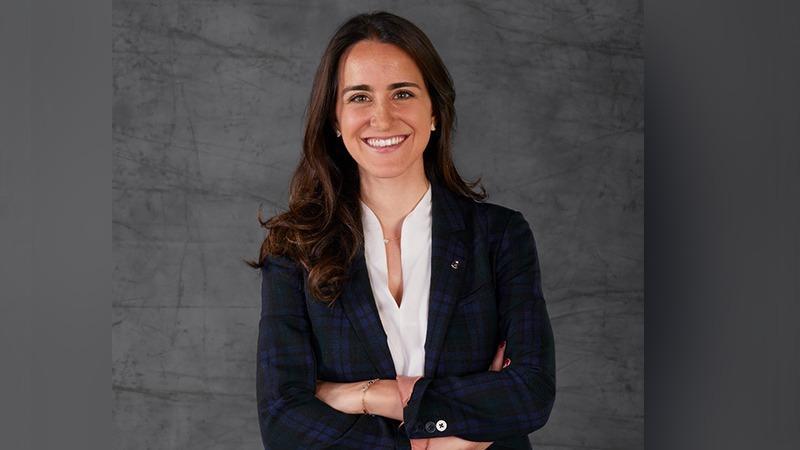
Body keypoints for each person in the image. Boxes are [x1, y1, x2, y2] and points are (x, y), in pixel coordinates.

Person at [250, 11, 555, 449]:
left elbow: (530, 393)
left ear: (435, 112)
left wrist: (365, 396)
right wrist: (451, 438)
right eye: (359, 97)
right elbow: (282, 422)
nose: (382, 118)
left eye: (403, 93)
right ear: (335, 119)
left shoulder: (500, 236)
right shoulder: (293, 249)